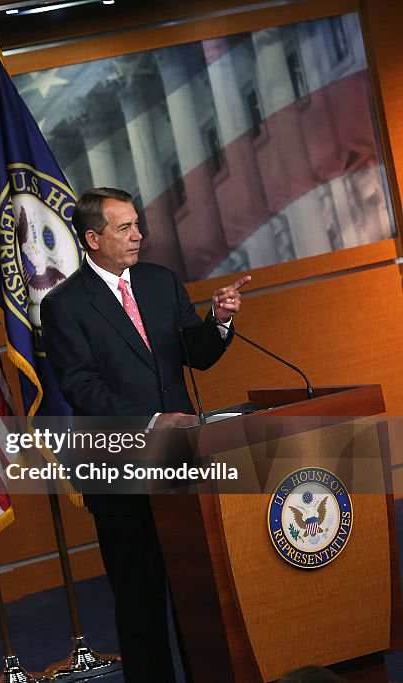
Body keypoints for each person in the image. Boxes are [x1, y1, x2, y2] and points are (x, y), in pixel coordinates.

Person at [40, 187, 250, 683]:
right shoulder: (64, 305)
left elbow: (194, 354)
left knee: (198, 596)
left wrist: (218, 321)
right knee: (141, 606)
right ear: (92, 238)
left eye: (137, 224)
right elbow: (81, 388)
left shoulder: (160, 281)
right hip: (119, 472)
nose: (139, 235)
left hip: (183, 464)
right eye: (124, 228)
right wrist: (152, 422)